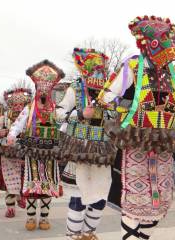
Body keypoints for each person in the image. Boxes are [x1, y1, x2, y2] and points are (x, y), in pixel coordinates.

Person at [98, 15, 175, 240]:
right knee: (134, 196)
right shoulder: (132, 67)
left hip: (163, 143)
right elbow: (106, 97)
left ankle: (142, 237)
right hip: (136, 140)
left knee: (158, 198)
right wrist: (128, 103)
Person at [57, 48, 117, 240]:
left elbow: (117, 116)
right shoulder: (74, 89)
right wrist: (81, 114)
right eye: (95, 69)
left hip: (102, 152)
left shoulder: (109, 92)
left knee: (100, 197)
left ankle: (89, 233)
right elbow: (57, 114)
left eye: (101, 69)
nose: (99, 73)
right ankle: (73, 235)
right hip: (79, 151)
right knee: (78, 197)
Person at [7, 60, 64, 231]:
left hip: (51, 154)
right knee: (31, 185)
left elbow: (63, 124)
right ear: (37, 92)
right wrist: (11, 135)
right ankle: (31, 218)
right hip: (31, 151)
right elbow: (18, 122)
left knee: (48, 185)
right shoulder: (29, 108)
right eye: (41, 91)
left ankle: (44, 218)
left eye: (47, 91)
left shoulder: (56, 109)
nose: (44, 94)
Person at [0, 87, 32, 218]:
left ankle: (21, 196)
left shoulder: (29, 116)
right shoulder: (4, 117)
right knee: (10, 180)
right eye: (15, 104)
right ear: (11, 105)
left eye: (21, 104)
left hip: (25, 153)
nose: (18, 107)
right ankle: (10, 207)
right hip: (8, 153)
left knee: (24, 179)